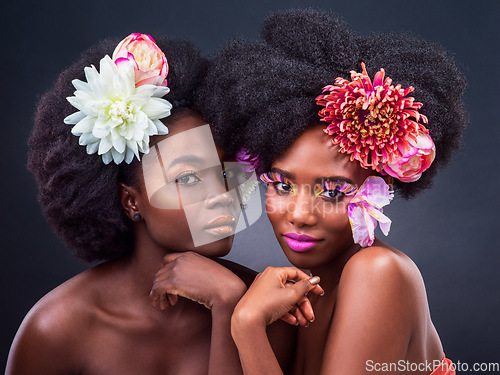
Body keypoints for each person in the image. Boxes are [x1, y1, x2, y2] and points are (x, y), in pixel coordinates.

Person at [198, 9, 467, 375]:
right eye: (282, 185)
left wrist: (246, 325)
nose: (301, 215)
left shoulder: (379, 273)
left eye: (333, 192)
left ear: (379, 187)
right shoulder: (297, 292)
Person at [6, 33, 294, 375]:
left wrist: (228, 303)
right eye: (187, 178)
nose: (221, 194)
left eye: (224, 172)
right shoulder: (57, 329)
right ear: (131, 201)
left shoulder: (267, 313)